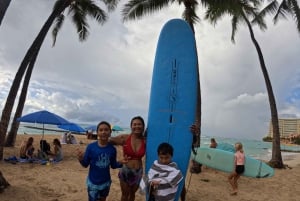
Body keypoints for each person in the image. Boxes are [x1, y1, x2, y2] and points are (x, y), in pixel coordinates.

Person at [77, 121, 126, 201]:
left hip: (106, 183)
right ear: (97, 132)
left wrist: (121, 163)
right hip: (93, 184)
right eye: (101, 130)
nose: (103, 132)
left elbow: (113, 165)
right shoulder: (91, 147)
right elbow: (85, 164)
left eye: (106, 130)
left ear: (110, 133)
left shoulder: (112, 149)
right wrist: (81, 159)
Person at [108, 116, 146, 201]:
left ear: (143, 126)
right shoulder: (124, 138)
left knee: (132, 194)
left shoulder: (146, 140)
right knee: (125, 195)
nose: (137, 126)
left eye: (139, 124)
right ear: (131, 126)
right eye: (134, 124)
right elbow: (109, 140)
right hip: (126, 170)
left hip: (138, 172)